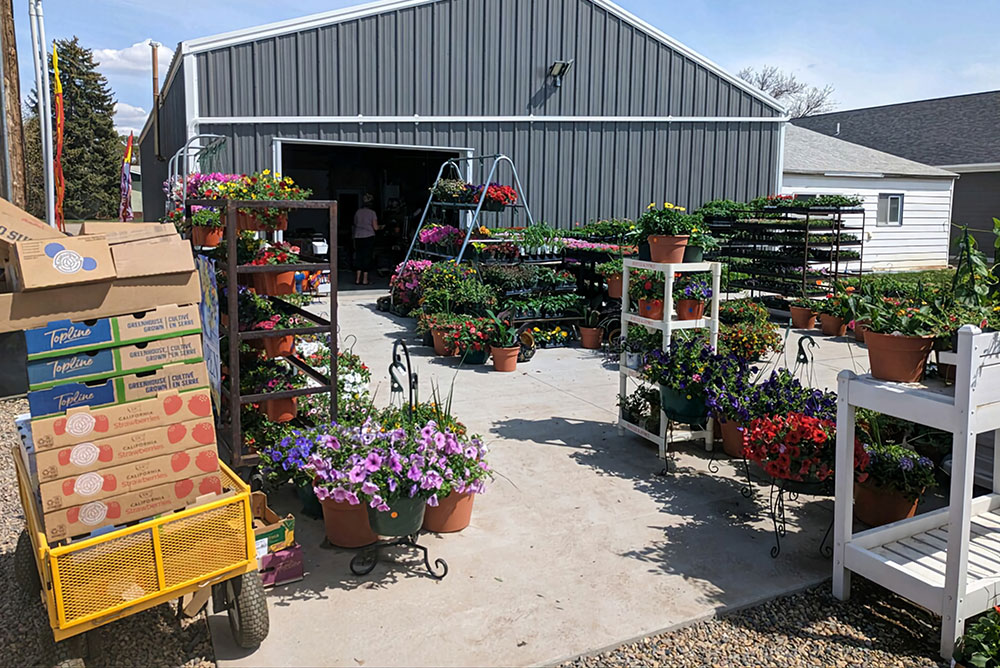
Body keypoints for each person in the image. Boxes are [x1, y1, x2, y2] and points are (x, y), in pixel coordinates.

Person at [353, 193, 379, 285]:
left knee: (359, 256)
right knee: (367, 257)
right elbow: (375, 227)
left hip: (358, 236)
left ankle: (357, 279)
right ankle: (365, 280)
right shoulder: (372, 213)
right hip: (368, 236)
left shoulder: (358, 212)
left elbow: (355, 223)